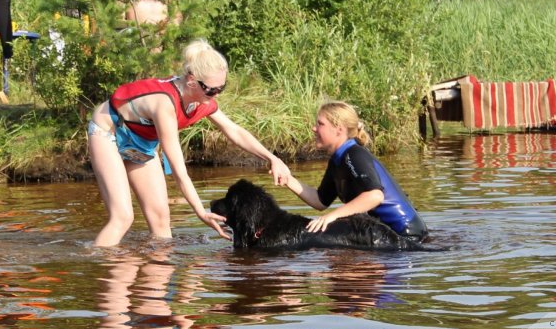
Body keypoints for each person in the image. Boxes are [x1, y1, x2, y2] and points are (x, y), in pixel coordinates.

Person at [88, 39, 291, 247]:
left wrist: (272, 158)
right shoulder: (165, 105)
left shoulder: (201, 100)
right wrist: (201, 212)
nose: (216, 95)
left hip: (140, 143)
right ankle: (98, 267)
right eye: (212, 90)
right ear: (192, 81)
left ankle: (159, 275)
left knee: (160, 221)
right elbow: (179, 172)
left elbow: (234, 131)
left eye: (222, 87)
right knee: (122, 218)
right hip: (109, 132)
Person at [284, 101, 428, 241]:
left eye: (320, 124)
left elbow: (375, 196)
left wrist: (332, 216)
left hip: (406, 235)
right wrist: (288, 179)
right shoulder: (337, 159)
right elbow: (320, 201)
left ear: (339, 129)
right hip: (385, 235)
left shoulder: (353, 155)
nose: (314, 129)